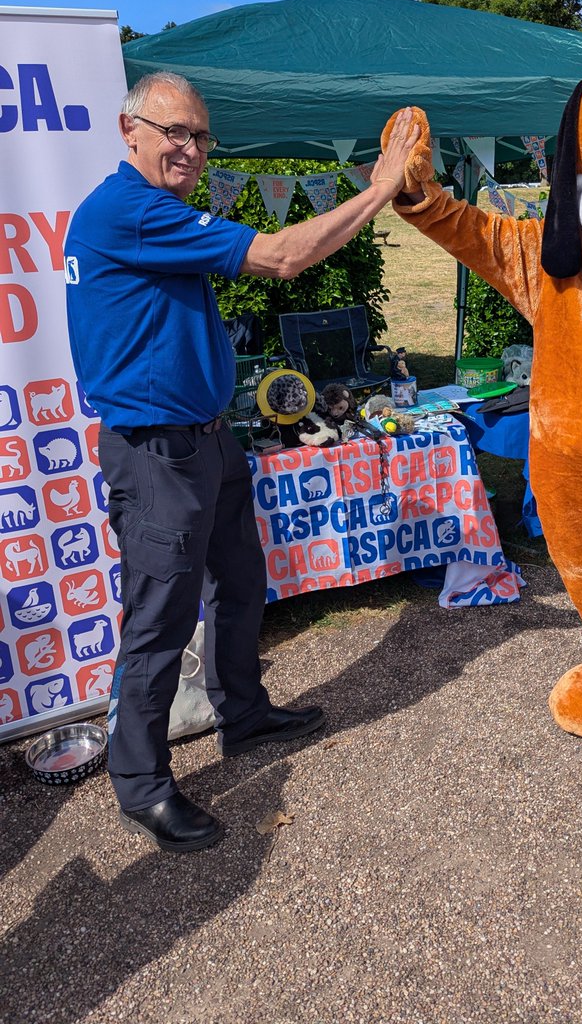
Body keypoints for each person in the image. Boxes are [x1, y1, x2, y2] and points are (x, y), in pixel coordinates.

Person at [64, 72, 418, 853]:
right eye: (173, 133)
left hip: (205, 437)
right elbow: (286, 256)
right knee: (158, 621)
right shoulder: (130, 209)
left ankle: (243, 712)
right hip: (157, 449)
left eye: (200, 136)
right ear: (130, 131)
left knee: (241, 584)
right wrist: (382, 188)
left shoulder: (156, 211)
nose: (189, 149)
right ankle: (143, 786)